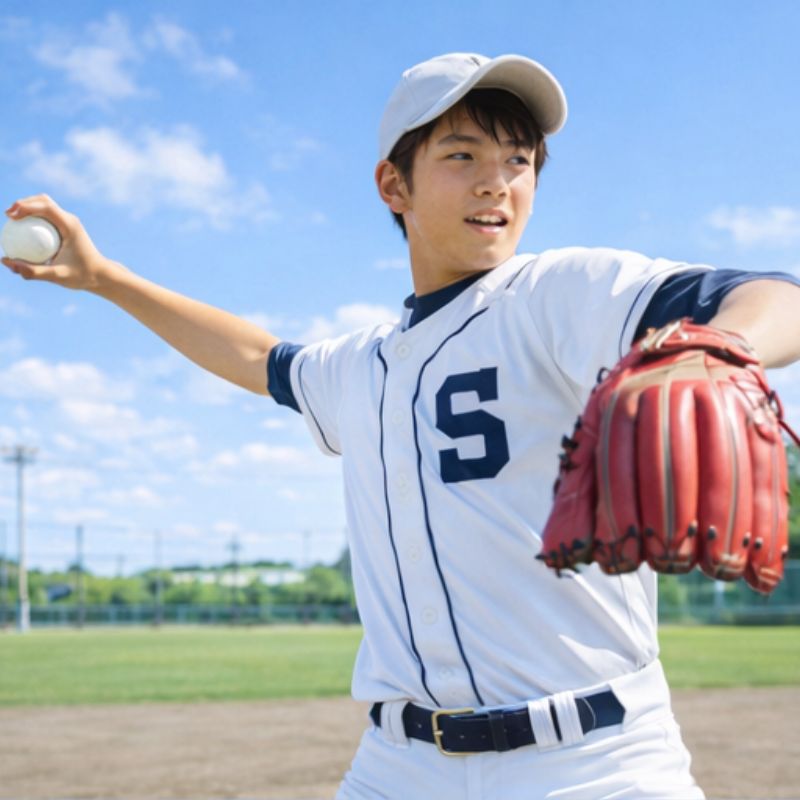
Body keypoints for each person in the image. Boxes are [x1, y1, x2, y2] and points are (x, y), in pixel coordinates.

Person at [4, 52, 800, 799]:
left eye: (518, 161)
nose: (498, 183)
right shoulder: (361, 366)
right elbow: (256, 357)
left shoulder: (558, 294)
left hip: (594, 761)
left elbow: (775, 296)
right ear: (395, 185)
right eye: (462, 156)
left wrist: (721, 348)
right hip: (400, 763)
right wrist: (103, 278)